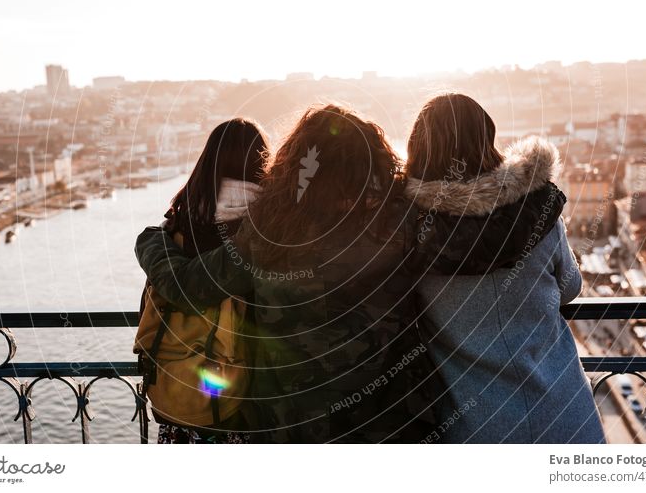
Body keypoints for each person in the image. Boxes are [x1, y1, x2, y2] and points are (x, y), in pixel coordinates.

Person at [136, 104, 441, 443]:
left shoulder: (273, 229)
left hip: (295, 421)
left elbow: (191, 286)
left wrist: (152, 242)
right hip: (390, 414)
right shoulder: (403, 219)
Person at [403, 93, 605, 443]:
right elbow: (570, 287)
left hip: (478, 428)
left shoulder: (411, 231)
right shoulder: (536, 209)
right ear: (488, 138)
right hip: (565, 416)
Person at [133, 118, 269, 443]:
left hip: (176, 397)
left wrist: (151, 241)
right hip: (237, 405)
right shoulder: (261, 237)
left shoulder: (177, 229)